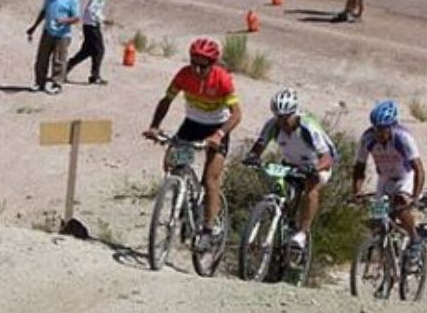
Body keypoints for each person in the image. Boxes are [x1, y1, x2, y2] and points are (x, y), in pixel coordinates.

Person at [144, 37, 242, 250]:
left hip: (217, 126)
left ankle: (208, 228)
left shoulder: (222, 80)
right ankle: (182, 197)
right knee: (171, 162)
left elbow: (236, 114)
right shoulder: (184, 74)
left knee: (210, 179)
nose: (197, 69)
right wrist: (154, 126)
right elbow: (166, 100)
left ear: (213, 64)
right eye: (193, 63)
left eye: (203, 65)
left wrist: (219, 135)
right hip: (192, 124)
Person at [244, 88, 337, 251]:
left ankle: (302, 233)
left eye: (286, 117)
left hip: (317, 164)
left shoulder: (307, 126)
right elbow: (258, 147)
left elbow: (327, 157)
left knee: (311, 189)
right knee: (280, 191)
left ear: (294, 113)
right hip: (291, 164)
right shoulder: (272, 125)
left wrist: (315, 168)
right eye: (279, 117)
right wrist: (253, 157)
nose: (282, 121)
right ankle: (280, 221)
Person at [352, 100, 425, 260]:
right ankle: (386, 256)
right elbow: (359, 167)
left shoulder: (403, 138)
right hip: (384, 178)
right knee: (378, 218)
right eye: (376, 128)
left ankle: (415, 240)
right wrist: (356, 191)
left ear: (392, 126)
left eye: (383, 129)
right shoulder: (367, 138)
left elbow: (418, 168)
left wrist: (414, 196)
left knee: (400, 206)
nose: (379, 133)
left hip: (406, 175)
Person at [26, 0, 81, 94]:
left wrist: (64, 20)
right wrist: (34, 27)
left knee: (59, 60)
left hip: (62, 35)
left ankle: (57, 84)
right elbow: (44, 11)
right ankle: (39, 82)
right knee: (41, 58)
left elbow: (77, 18)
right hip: (48, 31)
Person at [66, 0, 115, 85]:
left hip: (88, 25)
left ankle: (66, 67)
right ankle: (95, 76)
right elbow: (92, 9)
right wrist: (103, 19)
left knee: (87, 51)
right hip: (92, 26)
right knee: (99, 50)